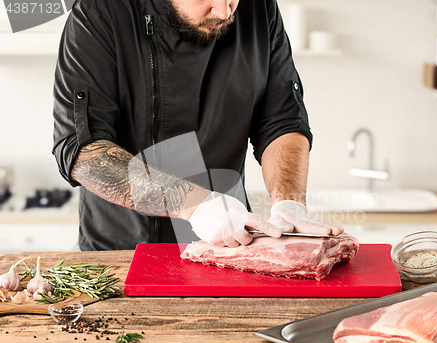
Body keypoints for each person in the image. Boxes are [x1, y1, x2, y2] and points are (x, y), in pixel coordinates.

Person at [52, 0, 343, 251]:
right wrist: (196, 204)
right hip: (121, 253)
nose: (224, 11)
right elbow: (83, 152)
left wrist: (288, 203)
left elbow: (282, 121)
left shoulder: (258, 7)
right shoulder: (100, 12)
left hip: (230, 248)